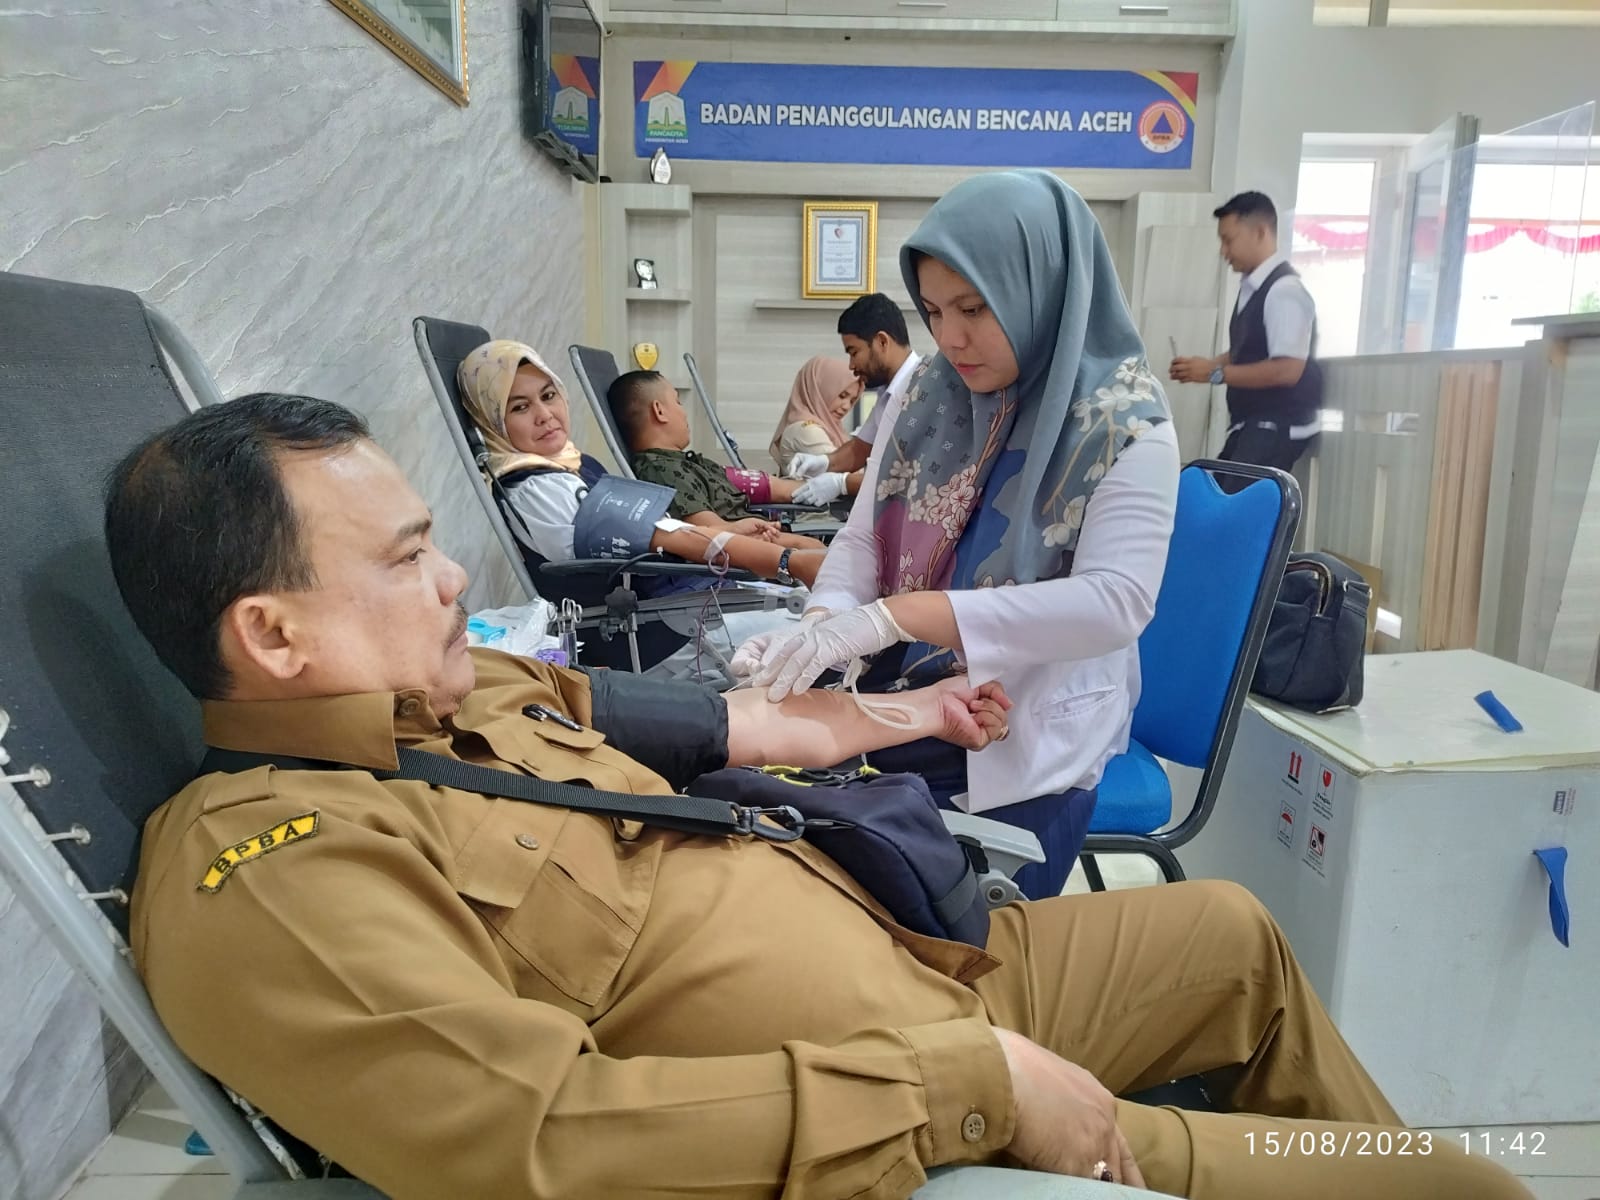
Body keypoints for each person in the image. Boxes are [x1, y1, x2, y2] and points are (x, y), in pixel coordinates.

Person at [108, 393, 1529, 1200]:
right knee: (1462, 1192)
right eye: (410, 559)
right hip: (900, 1103)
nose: (457, 580)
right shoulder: (273, 878)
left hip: (938, 962)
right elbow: (545, 1146)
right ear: (274, 636)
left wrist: (903, 706)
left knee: (1231, 937)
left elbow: (725, 719)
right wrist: (960, 1087)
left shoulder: (465, 696)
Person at [737, 170, 1181, 900]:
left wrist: (895, 616)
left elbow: (1116, 603)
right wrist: (819, 631)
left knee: (845, 894)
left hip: (1016, 739)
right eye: (935, 310)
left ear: (1042, 287)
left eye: (975, 308)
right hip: (902, 704)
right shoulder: (926, 397)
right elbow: (861, 539)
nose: (951, 336)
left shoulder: (1124, 424)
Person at [458, 339, 823, 590]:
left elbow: (671, 530)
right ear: (491, 422)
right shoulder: (538, 488)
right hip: (666, 621)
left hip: (684, 592)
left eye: (549, 395)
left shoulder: (573, 465)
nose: (545, 415)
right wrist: (792, 563)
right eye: (520, 407)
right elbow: (680, 537)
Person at [1169, 191, 1323, 480]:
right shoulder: (1254, 289)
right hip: (1252, 424)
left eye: (1229, 240)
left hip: (1276, 425)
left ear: (1260, 232)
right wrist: (1203, 366)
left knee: (1231, 508)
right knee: (1207, 488)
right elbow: (1250, 348)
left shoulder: (1284, 291)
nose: (1223, 251)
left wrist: (1214, 373)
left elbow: (1287, 370)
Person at [614, 369, 835, 551]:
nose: (684, 413)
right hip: (749, 548)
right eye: (678, 402)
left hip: (759, 535)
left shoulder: (683, 462)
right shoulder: (662, 470)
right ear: (659, 411)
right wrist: (793, 542)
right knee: (817, 550)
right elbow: (712, 532)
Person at [786, 292, 924, 505]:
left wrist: (842, 483)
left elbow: (911, 480)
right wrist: (824, 462)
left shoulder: (922, 390)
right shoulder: (888, 392)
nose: (851, 365)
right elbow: (858, 450)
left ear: (881, 342)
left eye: (854, 352)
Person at [769, 354, 862, 476]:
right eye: (842, 396)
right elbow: (853, 476)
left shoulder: (830, 429)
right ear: (818, 390)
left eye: (852, 400)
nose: (846, 406)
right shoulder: (806, 430)